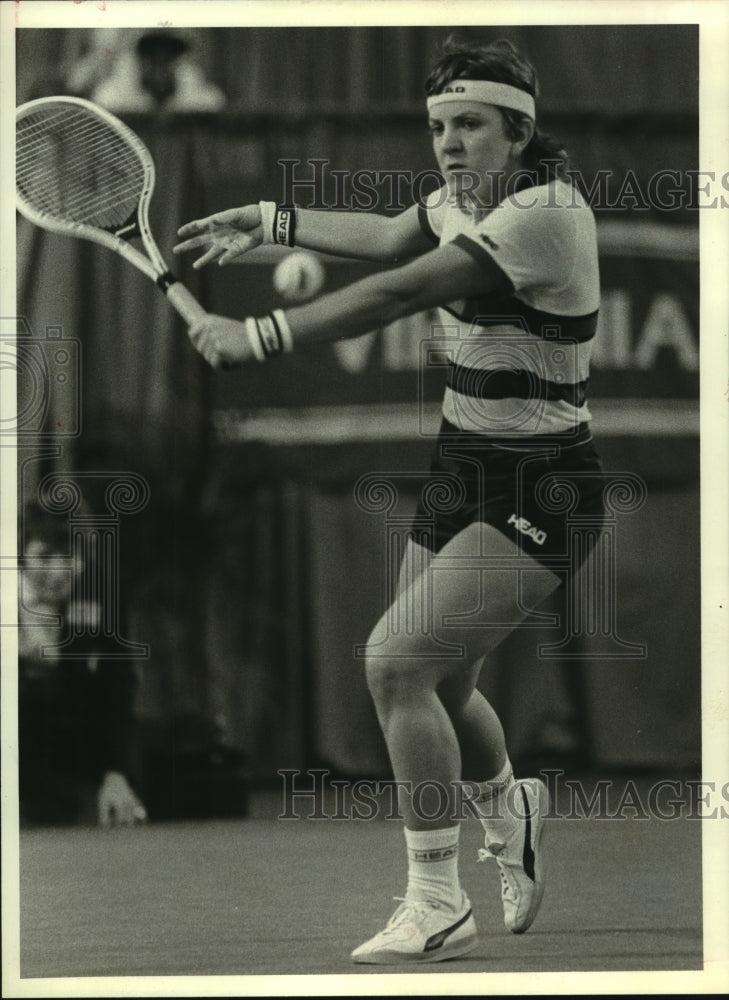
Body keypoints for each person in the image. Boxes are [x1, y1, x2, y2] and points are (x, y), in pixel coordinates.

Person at [174, 36, 605, 964]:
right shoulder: (459, 196)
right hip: (464, 460)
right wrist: (267, 217)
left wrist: (262, 333)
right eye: (439, 127)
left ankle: (436, 899)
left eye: (470, 126)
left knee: (394, 665)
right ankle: (510, 807)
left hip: (546, 482)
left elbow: (401, 287)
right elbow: (386, 235)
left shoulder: (543, 213)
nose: (450, 144)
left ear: (519, 131)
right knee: (442, 680)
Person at [18, 502, 147, 829]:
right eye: (45, 557)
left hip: (69, 767)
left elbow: (116, 688)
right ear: (20, 559)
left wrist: (117, 774)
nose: (59, 571)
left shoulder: (100, 591)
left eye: (69, 557)